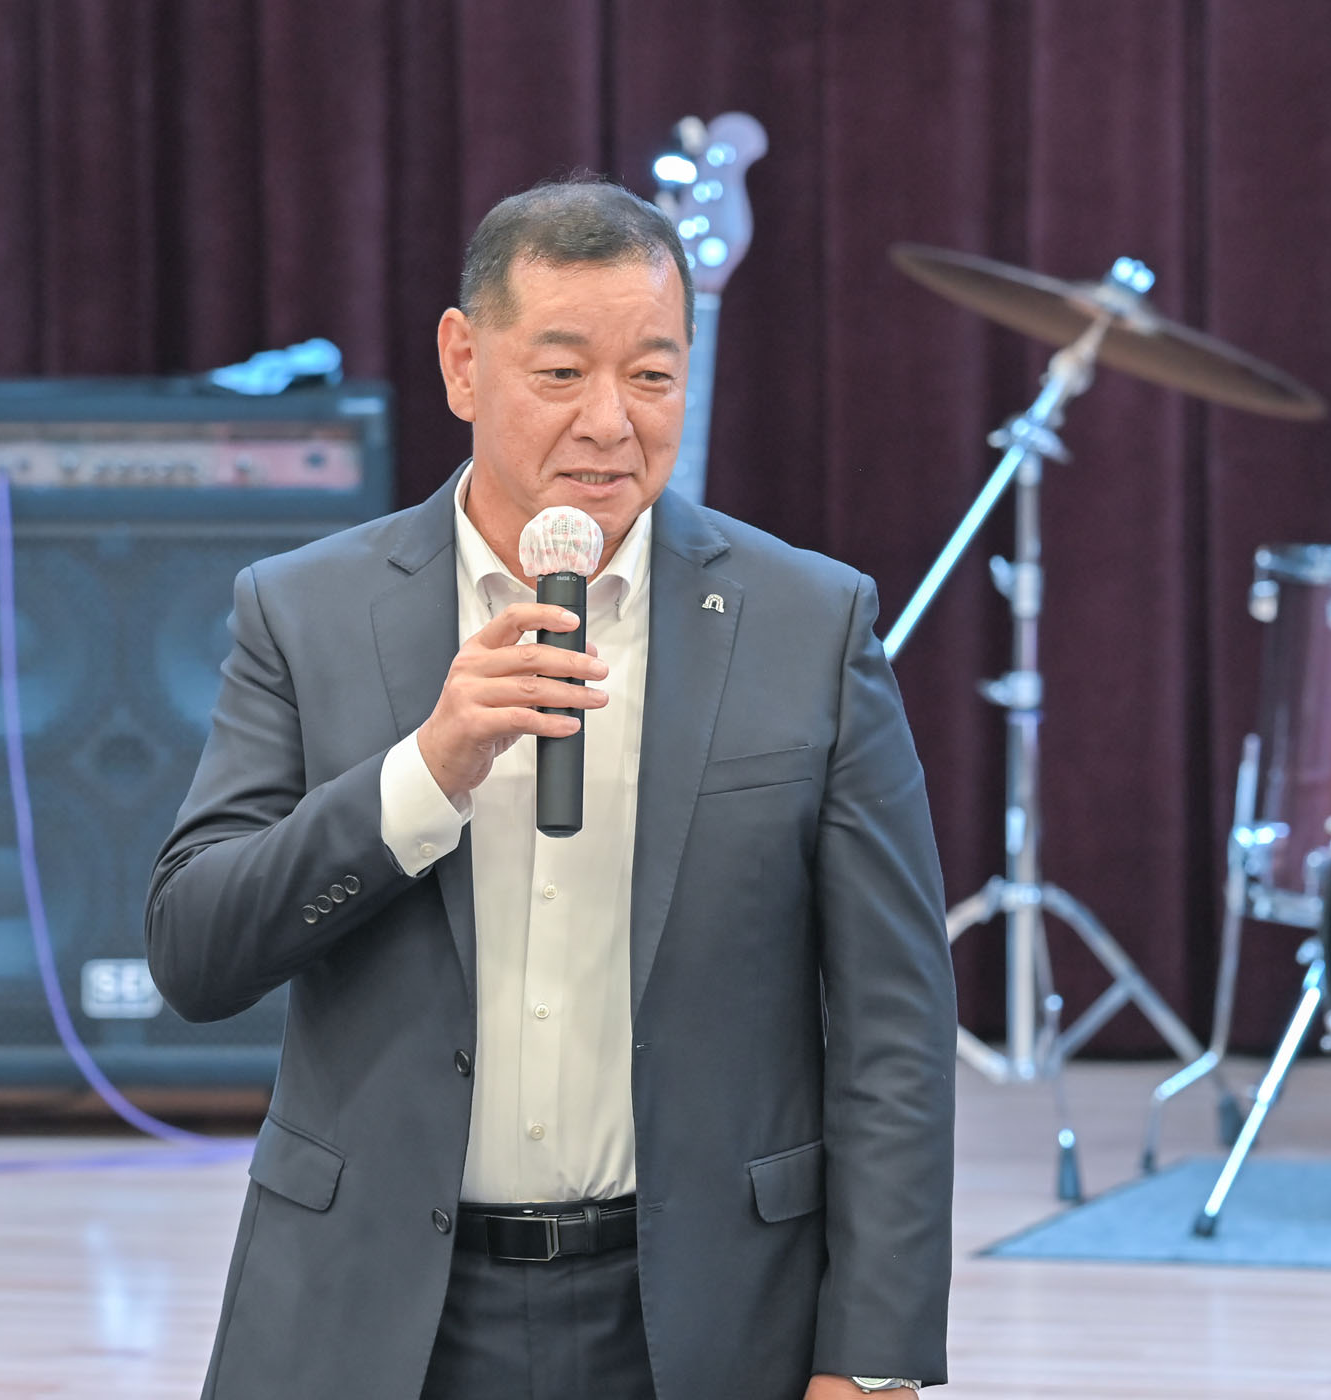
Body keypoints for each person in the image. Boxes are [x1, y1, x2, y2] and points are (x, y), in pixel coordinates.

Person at [147, 175, 955, 1400]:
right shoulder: (305, 612)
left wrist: (875, 1362)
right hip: (373, 1314)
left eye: (652, 374)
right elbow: (196, 951)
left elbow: (896, 1025)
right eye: (563, 372)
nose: (610, 424)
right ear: (464, 363)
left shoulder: (810, 623)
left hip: (705, 1312)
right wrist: (425, 772)